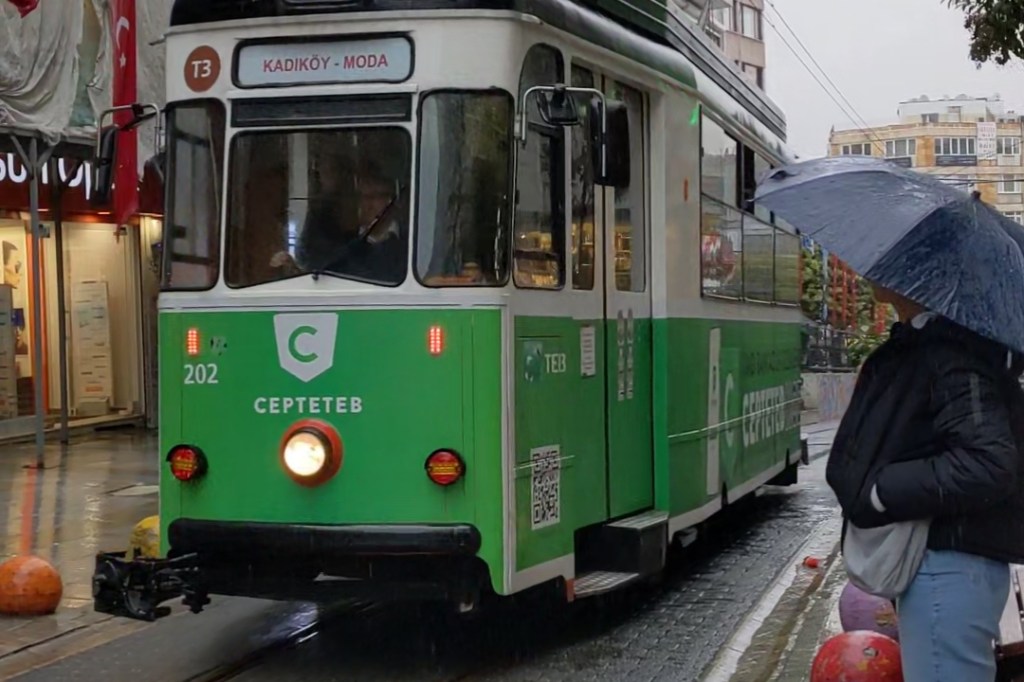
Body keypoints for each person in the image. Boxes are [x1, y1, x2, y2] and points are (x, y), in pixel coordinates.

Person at [827, 283, 1024, 681]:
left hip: (947, 566)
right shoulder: (933, 344)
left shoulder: (949, 352)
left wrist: (881, 491)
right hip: (946, 563)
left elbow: (987, 462)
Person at [270, 172, 405, 284]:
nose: (367, 204)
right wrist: (294, 270)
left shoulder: (409, 244)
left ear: (390, 200)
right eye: (362, 198)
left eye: (374, 197)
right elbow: (325, 275)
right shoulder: (344, 241)